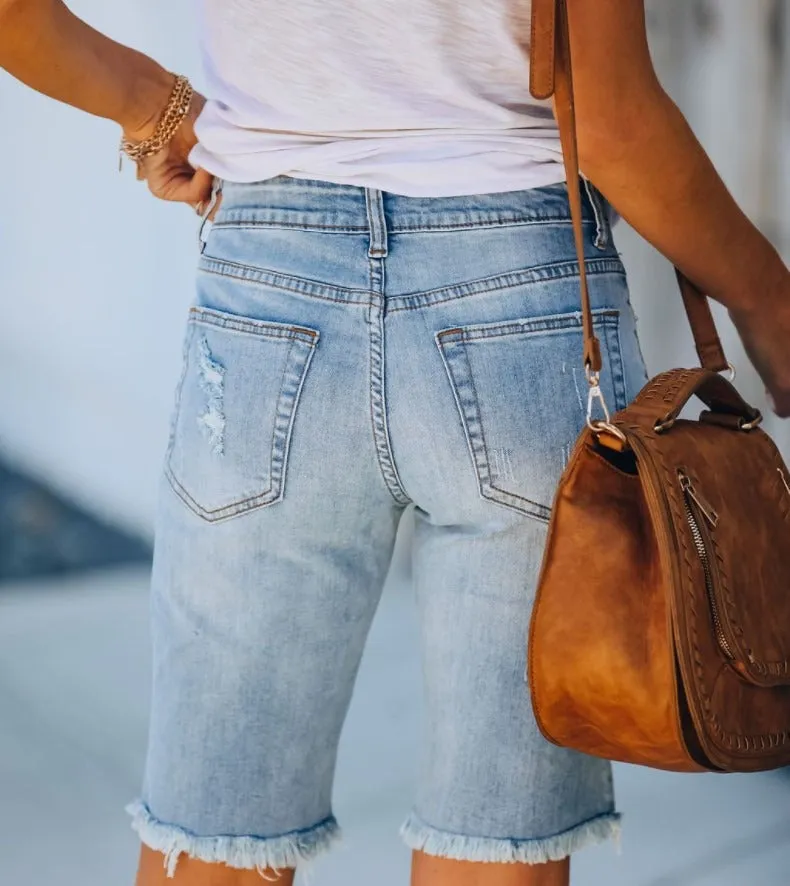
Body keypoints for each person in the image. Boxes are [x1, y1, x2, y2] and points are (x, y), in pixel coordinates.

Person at [2, 1, 789, 884]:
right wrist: (767, 299)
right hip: (518, 300)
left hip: (272, 290)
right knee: (500, 836)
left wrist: (148, 103)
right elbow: (610, 121)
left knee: (213, 825)